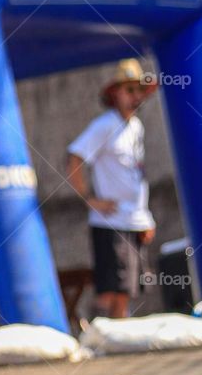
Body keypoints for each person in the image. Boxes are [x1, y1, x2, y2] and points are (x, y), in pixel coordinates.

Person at [67, 60, 157, 319]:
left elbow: (137, 173)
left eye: (138, 90)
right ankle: (98, 334)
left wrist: (145, 217)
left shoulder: (136, 126)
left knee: (128, 289)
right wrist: (89, 199)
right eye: (129, 90)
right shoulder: (105, 125)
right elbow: (74, 157)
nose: (135, 96)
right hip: (110, 222)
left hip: (133, 219)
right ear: (114, 93)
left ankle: (119, 340)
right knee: (110, 289)